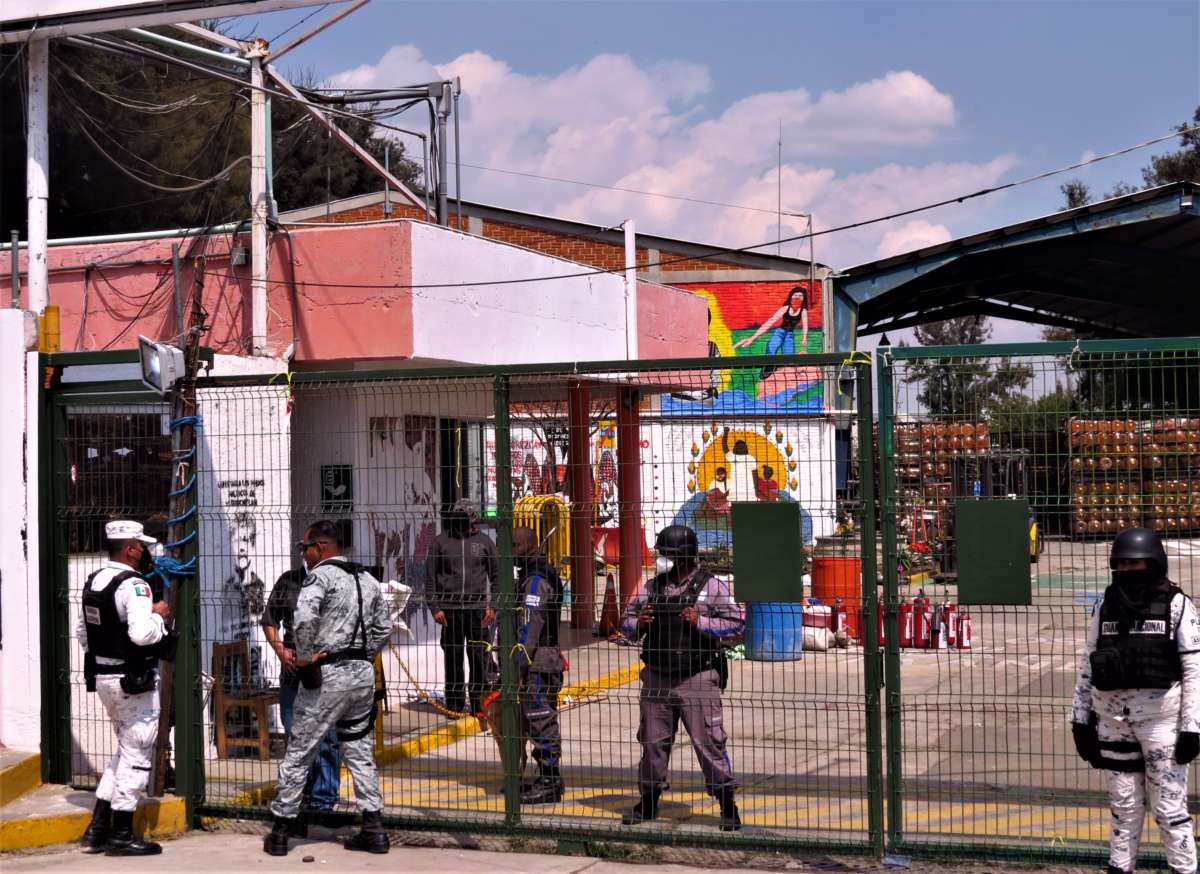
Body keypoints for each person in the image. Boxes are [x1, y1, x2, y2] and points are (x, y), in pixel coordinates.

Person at [1070, 527, 1200, 874]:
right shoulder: (1105, 605)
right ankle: (1119, 867)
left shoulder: (1177, 605)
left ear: (1155, 564)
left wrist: (1191, 727)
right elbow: (1088, 662)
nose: (1128, 571)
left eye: (1136, 564)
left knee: (1170, 810)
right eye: (1122, 565)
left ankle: (1185, 869)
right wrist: (1080, 720)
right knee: (1123, 808)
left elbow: (1193, 668)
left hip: (1162, 724)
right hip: (1113, 723)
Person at [264, 521, 393, 856]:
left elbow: (304, 619)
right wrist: (364, 654)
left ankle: (280, 830)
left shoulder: (319, 576)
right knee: (358, 749)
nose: (302, 555)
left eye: (304, 548)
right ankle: (373, 827)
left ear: (320, 547)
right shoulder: (367, 579)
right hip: (361, 675)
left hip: (328, 676)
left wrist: (305, 658)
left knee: (300, 748)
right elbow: (384, 625)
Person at [620, 524, 746, 831]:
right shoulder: (652, 587)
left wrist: (700, 620)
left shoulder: (712, 587)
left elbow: (737, 625)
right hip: (657, 677)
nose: (662, 559)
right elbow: (625, 622)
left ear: (684, 556)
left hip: (697, 676)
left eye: (668, 554)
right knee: (652, 741)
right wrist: (640, 622)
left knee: (708, 742)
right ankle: (648, 800)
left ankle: (727, 804)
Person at [77, 520, 175, 856]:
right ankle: (121, 834)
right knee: (137, 754)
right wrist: (158, 616)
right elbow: (141, 635)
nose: (146, 552)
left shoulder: (94, 581)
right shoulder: (136, 585)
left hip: (105, 679)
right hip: (132, 683)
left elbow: (83, 634)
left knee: (125, 750)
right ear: (131, 549)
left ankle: (98, 828)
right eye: (142, 546)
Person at [262, 565, 341, 826]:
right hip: (293, 671)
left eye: (307, 547)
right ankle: (300, 796)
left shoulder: (337, 579)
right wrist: (280, 651)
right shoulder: (289, 581)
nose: (304, 553)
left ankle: (324, 800)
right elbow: (269, 621)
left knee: (327, 737)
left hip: (325, 670)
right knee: (295, 734)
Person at [425, 499, 498, 717]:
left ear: (474, 517)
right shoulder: (440, 543)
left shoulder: (485, 542)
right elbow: (430, 578)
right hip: (450, 612)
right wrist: (435, 607)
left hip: (478, 611)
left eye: (469, 516)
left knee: (478, 658)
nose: (466, 521)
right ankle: (455, 705)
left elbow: (496, 576)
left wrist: (492, 606)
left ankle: (478, 705)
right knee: (453, 658)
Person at [511, 526, 566, 805]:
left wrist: (517, 666)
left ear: (527, 546)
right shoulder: (538, 573)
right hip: (543, 658)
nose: (510, 554)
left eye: (514, 547)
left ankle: (550, 781)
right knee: (537, 721)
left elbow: (530, 627)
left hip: (539, 662)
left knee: (541, 720)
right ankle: (547, 777)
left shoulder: (536, 580)